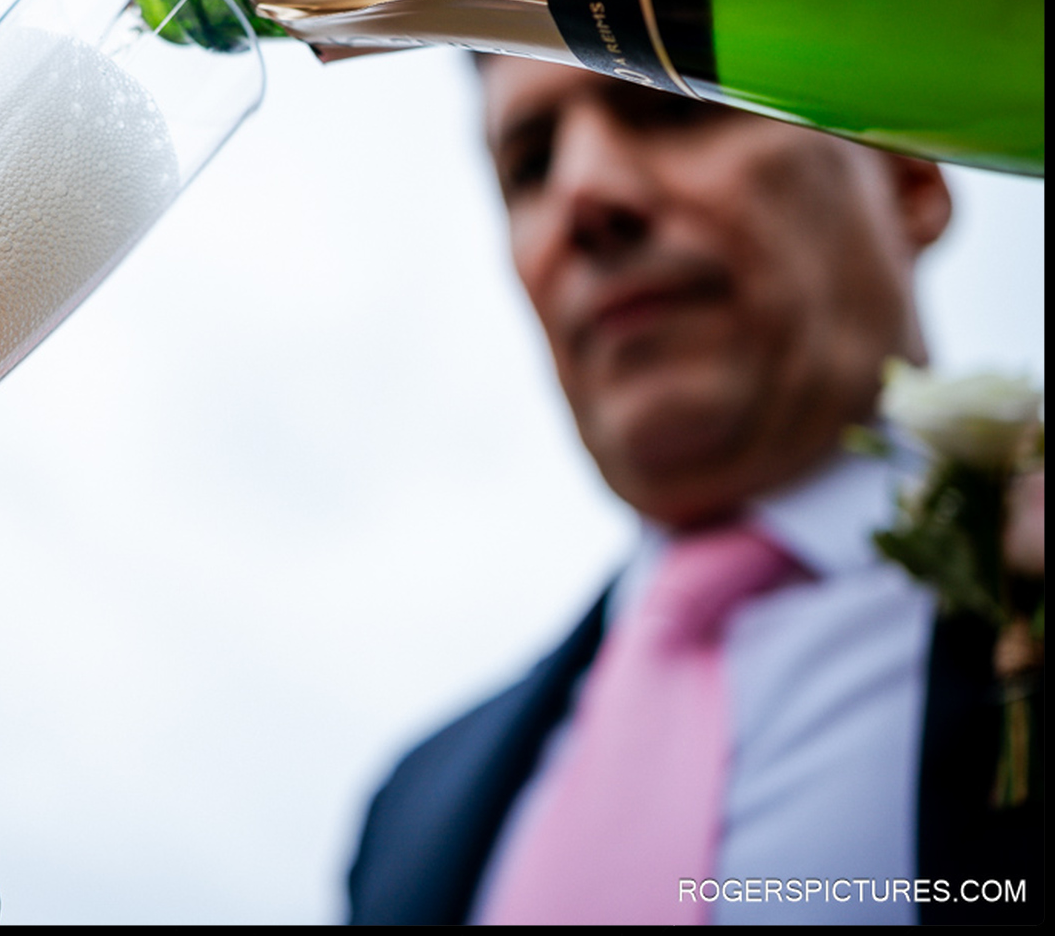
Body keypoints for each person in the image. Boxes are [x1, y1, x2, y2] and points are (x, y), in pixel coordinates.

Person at [346, 55, 1043, 924]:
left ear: (907, 172)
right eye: (529, 165)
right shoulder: (411, 815)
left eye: (673, 104)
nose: (584, 194)